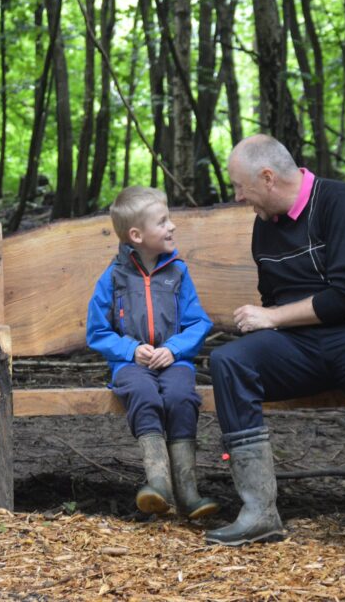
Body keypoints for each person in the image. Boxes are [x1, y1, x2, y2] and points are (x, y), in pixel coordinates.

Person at [205, 134, 345, 552]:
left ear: (268, 177)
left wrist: (272, 317)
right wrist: (269, 324)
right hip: (299, 345)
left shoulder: (338, 202)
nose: (237, 197)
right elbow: (274, 295)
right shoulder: (265, 224)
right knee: (229, 362)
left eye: (240, 186)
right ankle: (259, 512)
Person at [86, 186, 219, 519]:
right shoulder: (113, 277)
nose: (172, 226)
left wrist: (173, 350)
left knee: (180, 396)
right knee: (143, 394)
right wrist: (131, 350)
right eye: (162, 222)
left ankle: (188, 492)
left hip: (175, 363)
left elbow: (198, 322)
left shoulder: (178, 272)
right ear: (137, 235)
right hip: (130, 366)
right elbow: (97, 331)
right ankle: (158, 483)